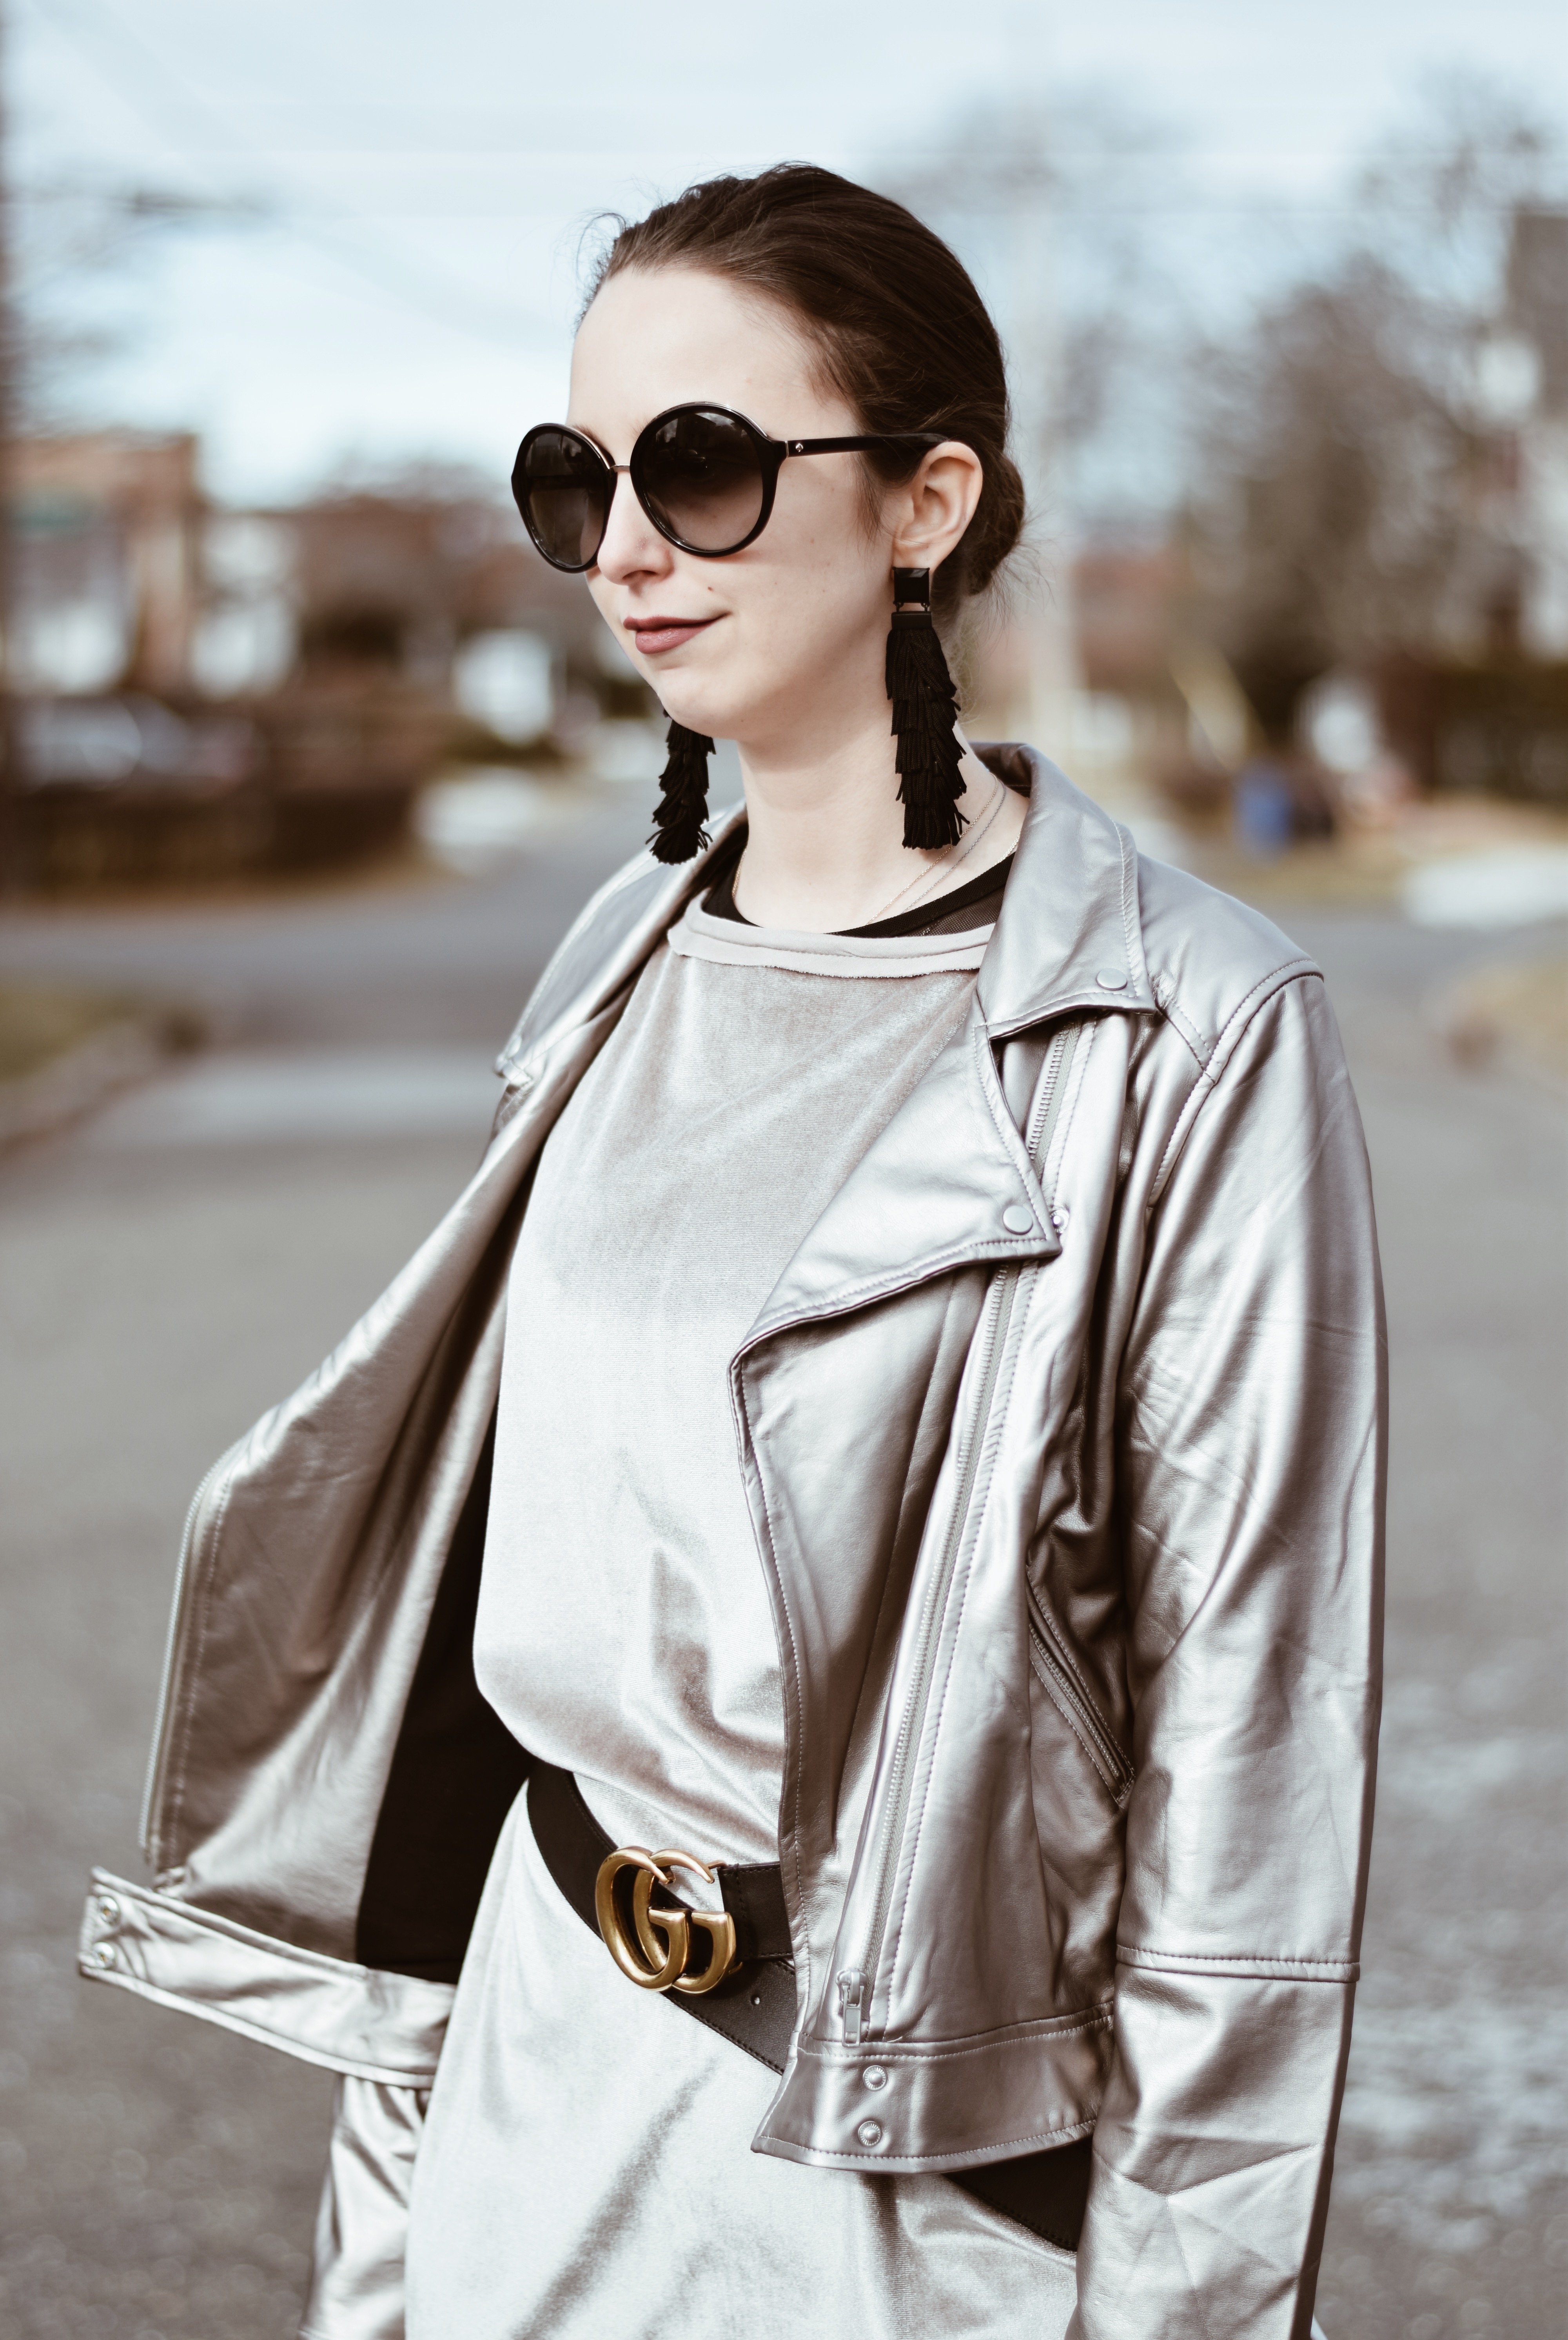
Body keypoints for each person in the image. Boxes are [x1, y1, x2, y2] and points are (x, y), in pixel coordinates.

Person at [80, 166, 1383, 2340]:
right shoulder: (616, 965)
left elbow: (1255, 1757)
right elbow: (489, 1670)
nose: (623, 550)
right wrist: (395, 2231)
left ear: (925, 502)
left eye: (697, 465)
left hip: (911, 2184)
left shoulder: (1195, 1024)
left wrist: (1189, 2309)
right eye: (575, 479)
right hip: (533, 2087)